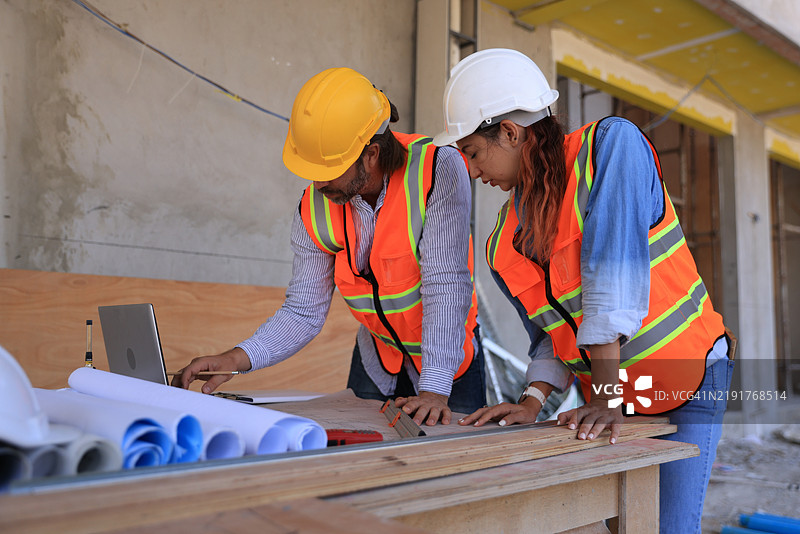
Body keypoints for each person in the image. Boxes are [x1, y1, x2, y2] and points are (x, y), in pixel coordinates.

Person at [433, 48, 734, 533]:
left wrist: (608, 397)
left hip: (687, 375)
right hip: (611, 393)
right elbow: (553, 333)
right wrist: (533, 399)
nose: (470, 169)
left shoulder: (611, 148)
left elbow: (610, 283)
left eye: (471, 151)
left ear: (510, 132)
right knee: (627, 521)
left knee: (669, 527)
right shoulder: (503, 242)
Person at [172, 67, 485, 426]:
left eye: (328, 169)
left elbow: (445, 285)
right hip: (377, 360)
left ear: (371, 155)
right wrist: (237, 358)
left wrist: (433, 389)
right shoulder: (314, 207)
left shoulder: (437, 170)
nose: (318, 183)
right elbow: (303, 311)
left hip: (448, 368)